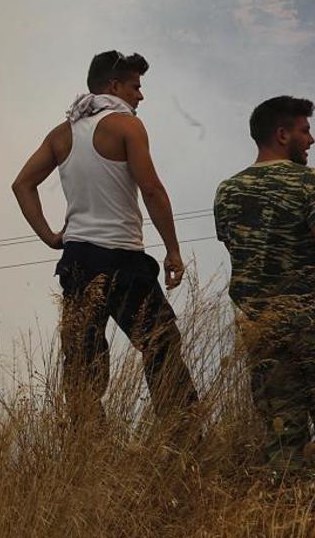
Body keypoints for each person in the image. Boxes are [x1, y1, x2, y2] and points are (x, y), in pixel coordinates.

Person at [12, 50, 199, 426]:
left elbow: (22, 185)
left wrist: (51, 236)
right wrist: (173, 251)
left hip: (78, 261)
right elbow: (152, 190)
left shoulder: (62, 133)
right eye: (135, 86)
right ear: (114, 86)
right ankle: (184, 438)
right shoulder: (127, 126)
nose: (140, 96)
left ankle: (86, 449)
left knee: (82, 364)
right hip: (123, 260)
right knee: (161, 345)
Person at [213, 96, 315, 482]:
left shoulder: (227, 191)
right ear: (282, 135)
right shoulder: (308, 180)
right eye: (305, 131)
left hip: (263, 328)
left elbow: (242, 251)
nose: (311, 140)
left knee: (283, 433)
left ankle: (291, 526)